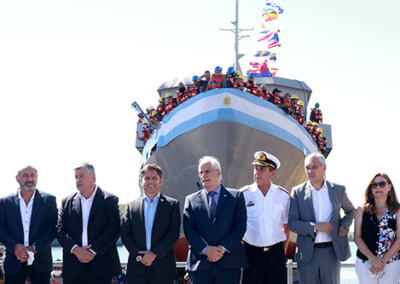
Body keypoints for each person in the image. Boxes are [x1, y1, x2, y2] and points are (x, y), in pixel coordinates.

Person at [288, 153, 355, 284]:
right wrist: (315, 226)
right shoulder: (297, 192)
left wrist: (344, 226)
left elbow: (352, 211)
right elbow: (292, 223)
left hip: (331, 253)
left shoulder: (338, 190)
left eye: (314, 167)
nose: (310, 171)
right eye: (307, 168)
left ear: (324, 168)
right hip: (307, 254)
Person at [183, 156, 247, 284]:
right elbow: (189, 230)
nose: (203, 175)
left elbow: (240, 227)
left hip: (228, 264)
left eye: (207, 171)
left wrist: (222, 248)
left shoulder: (235, 197)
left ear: (218, 173)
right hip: (201, 265)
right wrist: (206, 249)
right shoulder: (191, 200)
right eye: (201, 172)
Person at [57, 163, 121, 284]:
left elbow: (114, 229)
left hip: (101, 267)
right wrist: (76, 250)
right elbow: (60, 230)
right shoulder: (67, 202)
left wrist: (92, 251)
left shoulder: (109, 200)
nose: (78, 180)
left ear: (93, 177)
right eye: (76, 177)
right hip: (73, 268)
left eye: (81, 176)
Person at [121, 164, 180, 284]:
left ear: (161, 180)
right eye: (147, 178)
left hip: (163, 269)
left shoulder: (172, 205)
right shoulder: (131, 206)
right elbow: (125, 235)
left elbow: (173, 233)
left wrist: (154, 254)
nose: (150, 181)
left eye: (154, 178)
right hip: (137, 269)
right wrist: (139, 256)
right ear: (141, 181)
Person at [0, 166, 58, 284]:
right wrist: (15, 247)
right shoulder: (5, 203)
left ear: (37, 178)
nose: (29, 178)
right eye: (25, 175)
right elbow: (1, 229)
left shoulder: (49, 200)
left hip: (41, 263)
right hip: (13, 263)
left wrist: (35, 247)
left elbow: (53, 228)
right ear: (17, 178)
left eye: (33, 175)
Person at [240, 151, 290, 284]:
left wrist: (282, 251)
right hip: (251, 253)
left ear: (272, 173)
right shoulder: (244, 194)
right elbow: (236, 225)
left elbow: (286, 227)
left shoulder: (283, 196)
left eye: (262, 169)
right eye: (256, 169)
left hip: (275, 254)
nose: (257, 172)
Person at [354, 173, 400, 283]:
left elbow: (399, 239)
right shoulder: (362, 210)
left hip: (391, 263)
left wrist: (382, 262)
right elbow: (357, 237)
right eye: (374, 185)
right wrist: (373, 259)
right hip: (365, 262)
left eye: (382, 184)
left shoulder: (397, 210)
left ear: (389, 187)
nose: (378, 187)